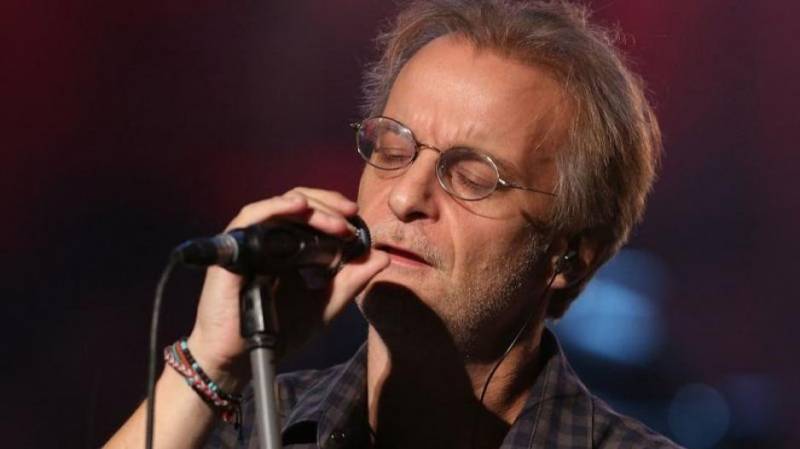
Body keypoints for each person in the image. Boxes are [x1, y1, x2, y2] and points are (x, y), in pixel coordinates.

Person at [105, 1, 682, 448]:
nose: (405, 197)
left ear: (570, 254)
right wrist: (212, 364)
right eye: (392, 149)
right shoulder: (245, 423)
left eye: (472, 177)